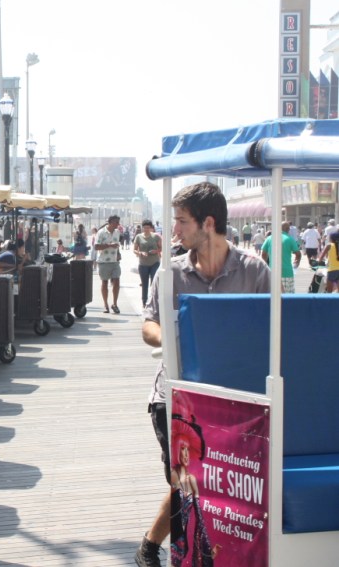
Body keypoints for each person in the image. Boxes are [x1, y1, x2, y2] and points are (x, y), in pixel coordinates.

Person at [134, 182, 270, 567]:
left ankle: (156, 544)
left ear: (207, 223)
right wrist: (175, 341)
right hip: (175, 396)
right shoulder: (169, 273)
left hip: (234, 398)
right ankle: (168, 550)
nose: (173, 230)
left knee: (209, 480)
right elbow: (148, 327)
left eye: (181, 221)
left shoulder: (254, 272)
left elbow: (275, 326)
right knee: (187, 480)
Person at [169, 392, 220, 565]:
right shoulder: (174, 475)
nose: (185, 454)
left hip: (189, 534)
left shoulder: (191, 479)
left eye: (187, 449)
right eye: (182, 449)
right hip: (178, 533)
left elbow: (199, 516)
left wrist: (207, 550)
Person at [261, 221, 302, 293]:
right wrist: (297, 262)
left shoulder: (270, 238)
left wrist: (265, 266)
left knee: (273, 297)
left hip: (272, 272)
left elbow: (263, 254)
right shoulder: (290, 239)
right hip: (287, 272)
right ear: (288, 230)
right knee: (287, 298)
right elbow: (298, 254)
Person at [95, 215, 122, 314]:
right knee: (105, 282)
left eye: (118, 222)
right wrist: (109, 245)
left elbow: (117, 245)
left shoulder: (117, 232)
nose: (117, 224)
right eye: (116, 222)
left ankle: (115, 304)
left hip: (115, 261)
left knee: (117, 281)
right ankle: (106, 305)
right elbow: (96, 247)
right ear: (110, 222)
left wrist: (118, 253)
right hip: (103, 262)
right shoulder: (101, 232)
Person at [133, 219, 162, 307]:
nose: (146, 229)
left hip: (154, 262)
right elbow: (134, 249)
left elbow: (161, 248)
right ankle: (144, 301)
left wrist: (156, 251)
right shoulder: (138, 237)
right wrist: (140, 253)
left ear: (151, 228)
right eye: (144, 228)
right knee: (144, 283)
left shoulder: (156, 236)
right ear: (142, 228)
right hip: (143, 264)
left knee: (154, 282)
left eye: (148, 228)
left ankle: (153, 301)